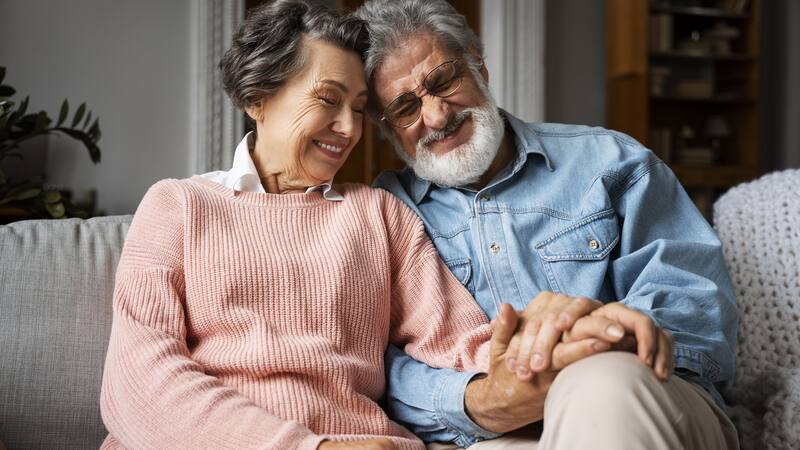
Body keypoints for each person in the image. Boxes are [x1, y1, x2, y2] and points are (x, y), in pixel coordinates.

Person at [97, 1, 572, 448]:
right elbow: (137, 381)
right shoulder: (178, 206)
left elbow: (461, 341)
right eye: (328, 99)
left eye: (358, 108)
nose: (348, 129)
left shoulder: (379, 215)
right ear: (257, 98)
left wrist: (546, 352)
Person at [355, 1, 741, 449]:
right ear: (386, 127)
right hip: (488, 433)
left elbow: (699, 311)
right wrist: (482, 401)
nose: (438, 116)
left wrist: (595, 337)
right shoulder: (383, 213)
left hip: (641, 399)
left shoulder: (612, 161)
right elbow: (372, 364)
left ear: (478, 66)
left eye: (444, 80)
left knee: (601, 387)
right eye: (405, 107)